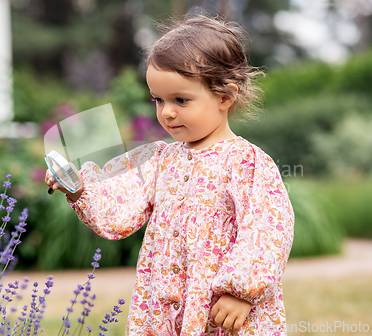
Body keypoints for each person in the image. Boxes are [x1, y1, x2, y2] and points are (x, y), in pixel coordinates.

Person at [46, 15, 294, 336]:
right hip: (165, 304)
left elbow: (268, 227)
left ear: (224, 96)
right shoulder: (161, 159)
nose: (167, 112)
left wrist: (241, 291)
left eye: (181, 99)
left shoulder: (245, 162)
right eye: (159, 100)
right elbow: (123, 204)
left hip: (221, 310)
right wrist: (80, 190)